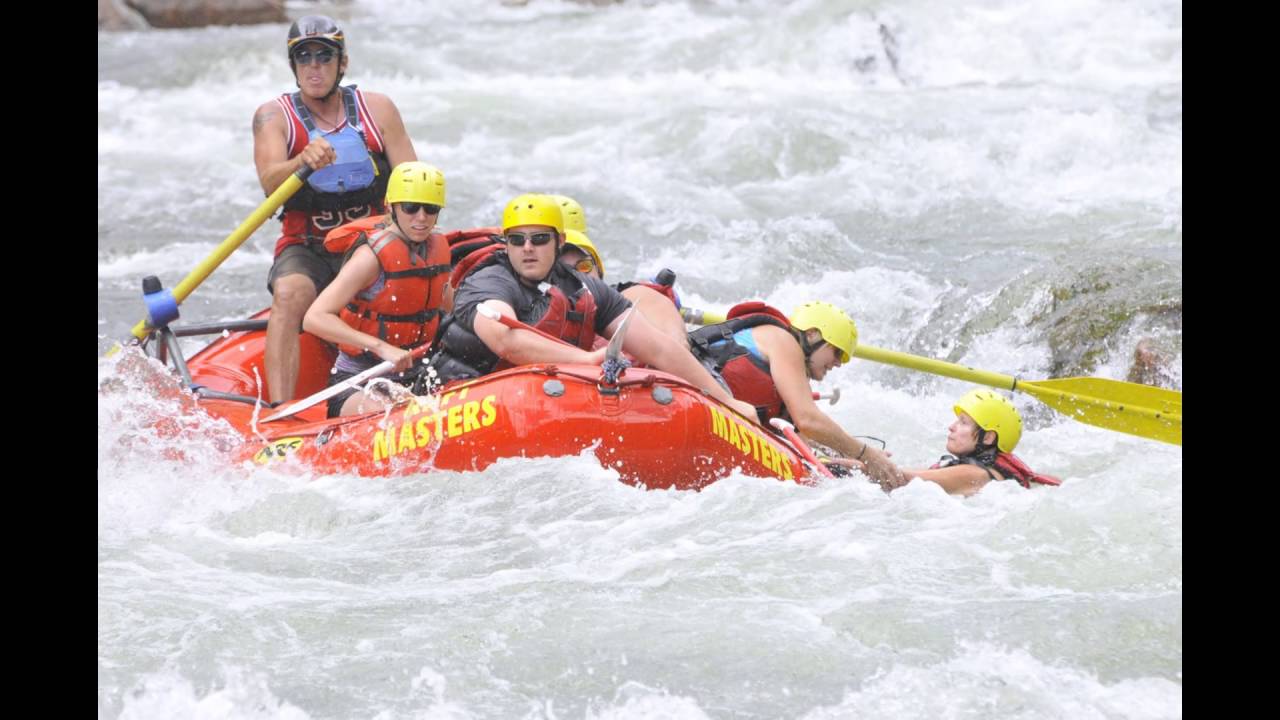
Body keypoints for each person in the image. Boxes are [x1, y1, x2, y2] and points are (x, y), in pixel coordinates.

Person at [428, 193, 758, 420]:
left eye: (539, 239)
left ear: (559, 242)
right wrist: (586, 360)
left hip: (543, 394)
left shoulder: (584, 288)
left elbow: (658, 348)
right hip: (467, 393)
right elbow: (506, 340)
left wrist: (725, 401)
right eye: (517, 240)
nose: (527, 249)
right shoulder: (488, 281)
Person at [252, 14, 417, 403]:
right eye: (304, 57)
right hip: (308, 245)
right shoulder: (272, 117)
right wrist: (302, 162)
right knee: (291, 294)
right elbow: (269, 183)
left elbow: (413, 179)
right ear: (293, 66)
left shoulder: (379, 109)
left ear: (342, 63)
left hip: (373, 243)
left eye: (324, 57)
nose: (314, 67)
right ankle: (281, 412)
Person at [687, 301, 904, 487]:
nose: (838, 363)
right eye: (837, 352)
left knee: (846, 472)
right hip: (687, 402)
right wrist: (867, 454)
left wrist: (852, 460)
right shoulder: (784, 340)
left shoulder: (788, 375)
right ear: (811, 335)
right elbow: (808, 420)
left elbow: (805, 438)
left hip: (703, 416)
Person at [302, 162, 450, 417]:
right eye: (411, 207)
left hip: (420, 372)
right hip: (358, 380)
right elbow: (314, 318)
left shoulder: (436, 250)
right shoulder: (370, 257)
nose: (421, 217)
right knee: (408, 415)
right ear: (391, 207)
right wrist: (381, 347)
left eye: (431, 208)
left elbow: (450, 307)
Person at [848, 389, 1061, 496]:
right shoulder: (984, 469)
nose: (952, 427)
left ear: (988, 437)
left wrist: (860, 464)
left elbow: (901, 479)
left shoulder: (975, 474)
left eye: (964, 423)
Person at [549, 194, 690, 346]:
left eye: (584, 267)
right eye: (563, 271)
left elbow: (652, 304)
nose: (577, 277)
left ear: (599, 271)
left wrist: (675, 344)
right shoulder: (529, 309)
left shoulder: (622, 297)